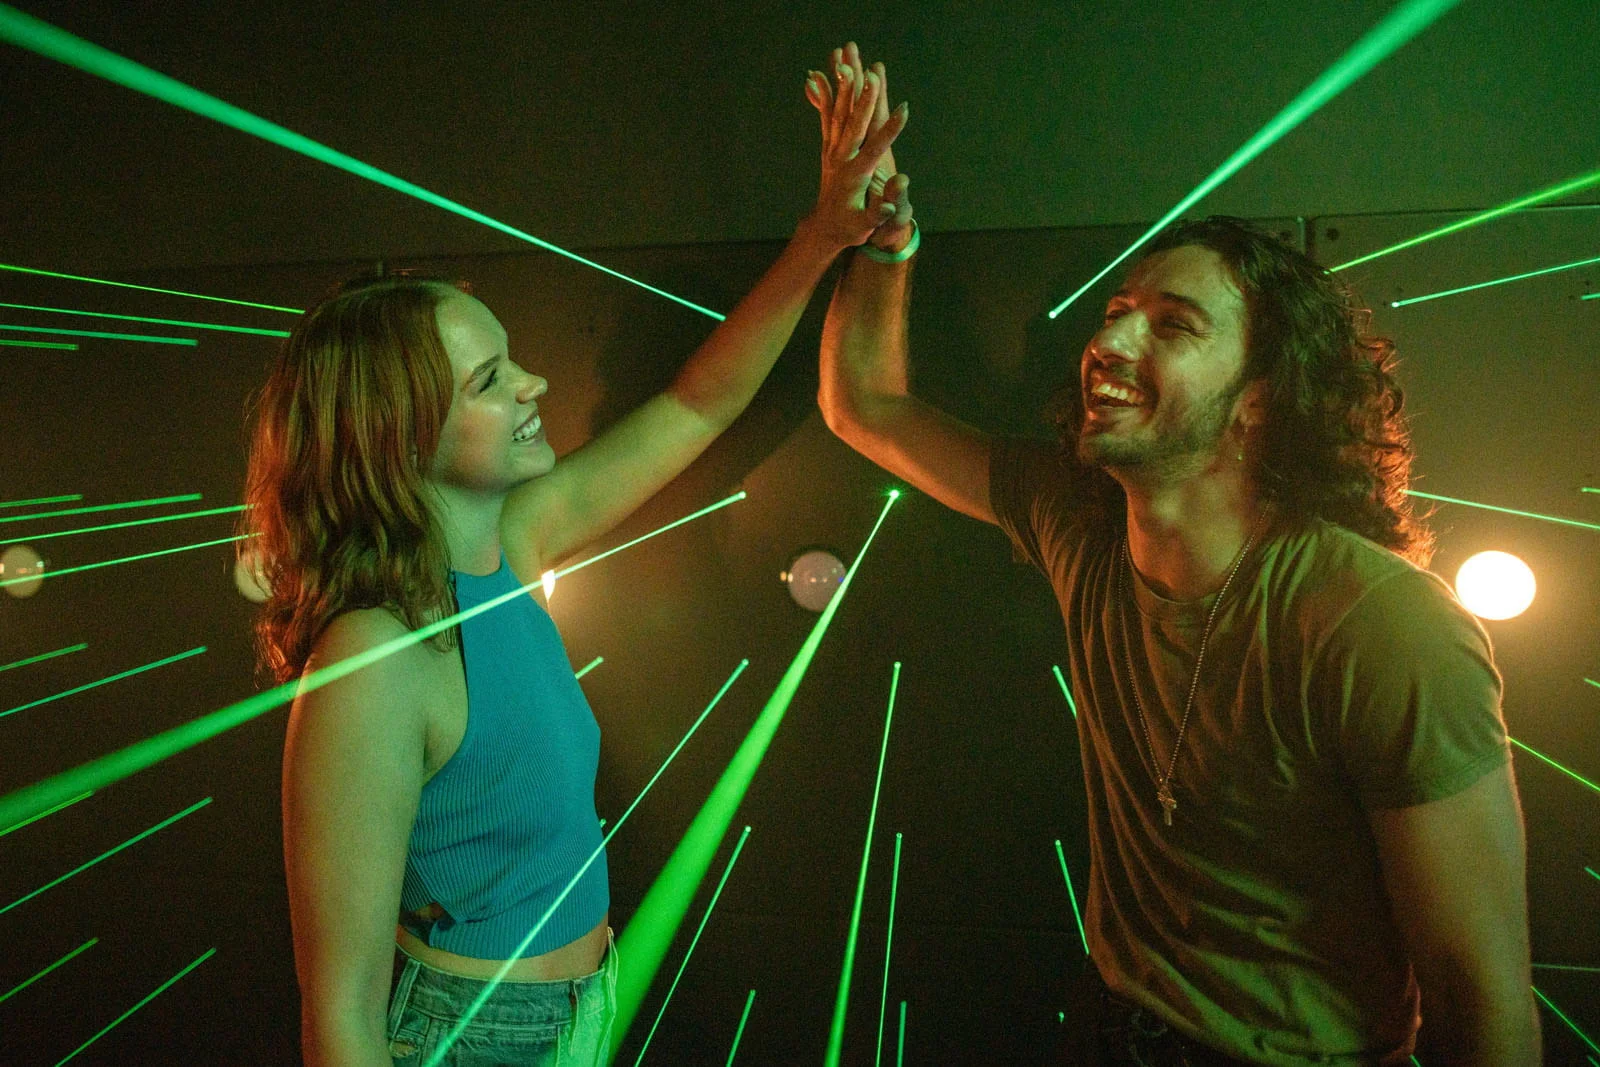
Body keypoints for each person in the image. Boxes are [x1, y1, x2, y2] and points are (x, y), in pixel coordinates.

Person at [812, 49, 1540, 1066]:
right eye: (1117, 314)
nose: (1110, 345)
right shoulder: (1081, 523)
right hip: (1109, 1030)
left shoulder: (1382, 621)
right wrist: (883, 241)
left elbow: (1479, 994)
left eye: (1173, 326)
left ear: (1259, 402)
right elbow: (864, 406)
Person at [244, 59, 909, 1067]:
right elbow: (339, 1018)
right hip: (471, 1039)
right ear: (399, 433)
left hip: (578, 1011)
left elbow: (700, 404)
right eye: (490, 378)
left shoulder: (511, 544)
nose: (533, 384)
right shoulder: (374, 659)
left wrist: (824, 236)